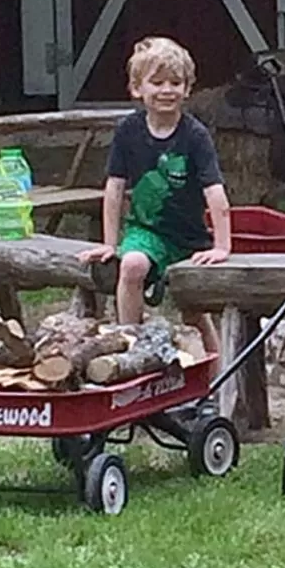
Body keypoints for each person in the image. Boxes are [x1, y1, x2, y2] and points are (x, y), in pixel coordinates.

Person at [79, 37, 230, 359]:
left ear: (187, 89)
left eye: (175, 83)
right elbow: (115, 187)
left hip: (189, 236)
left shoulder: (195, 136)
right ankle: (130, 345)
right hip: (145, 231)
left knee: (193, 311)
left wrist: (221, 246)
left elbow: (215, 191)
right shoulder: (128, 131)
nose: (167, 90)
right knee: (132, 265)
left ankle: (216, 375)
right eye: (157, 82)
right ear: (137, 89)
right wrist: (110, 243)